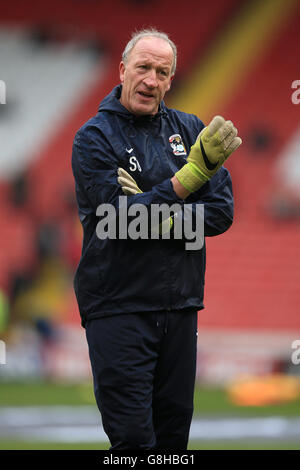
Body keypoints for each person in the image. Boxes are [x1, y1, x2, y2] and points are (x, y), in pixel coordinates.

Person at [71, 28, 242, 450]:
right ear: (123, 69)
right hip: (118, 306)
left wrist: (147, 207)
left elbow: (220, 214)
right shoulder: (93, 138)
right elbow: (115, 221)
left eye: (161, 72)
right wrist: (189, 179)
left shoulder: (190, 130)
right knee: (132, 441)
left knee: (172, 444)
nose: (151, 79)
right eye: (143, 67)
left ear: (170, 80)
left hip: (181, 308)